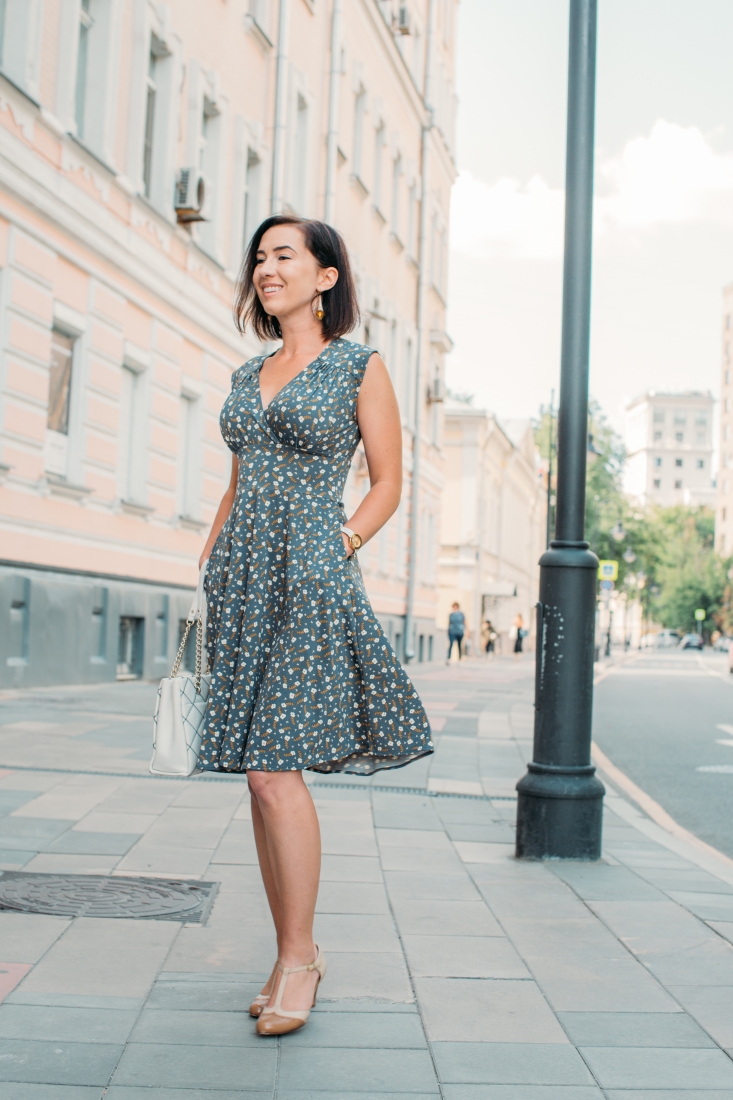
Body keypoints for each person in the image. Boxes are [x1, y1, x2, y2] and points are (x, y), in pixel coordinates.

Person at [196, 215, 432, 1037]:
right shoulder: (246, 371)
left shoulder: (356, 365)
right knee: (257, 785)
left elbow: (389, 479)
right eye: (258, 257)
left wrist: (343, 543)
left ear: (325, 276)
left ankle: (300, 956)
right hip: (239, 583)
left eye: (283, 256)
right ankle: (286, 952)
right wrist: (208, 568)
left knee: (273, 773)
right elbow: (236, 482)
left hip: (309, 579)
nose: (265, 269)